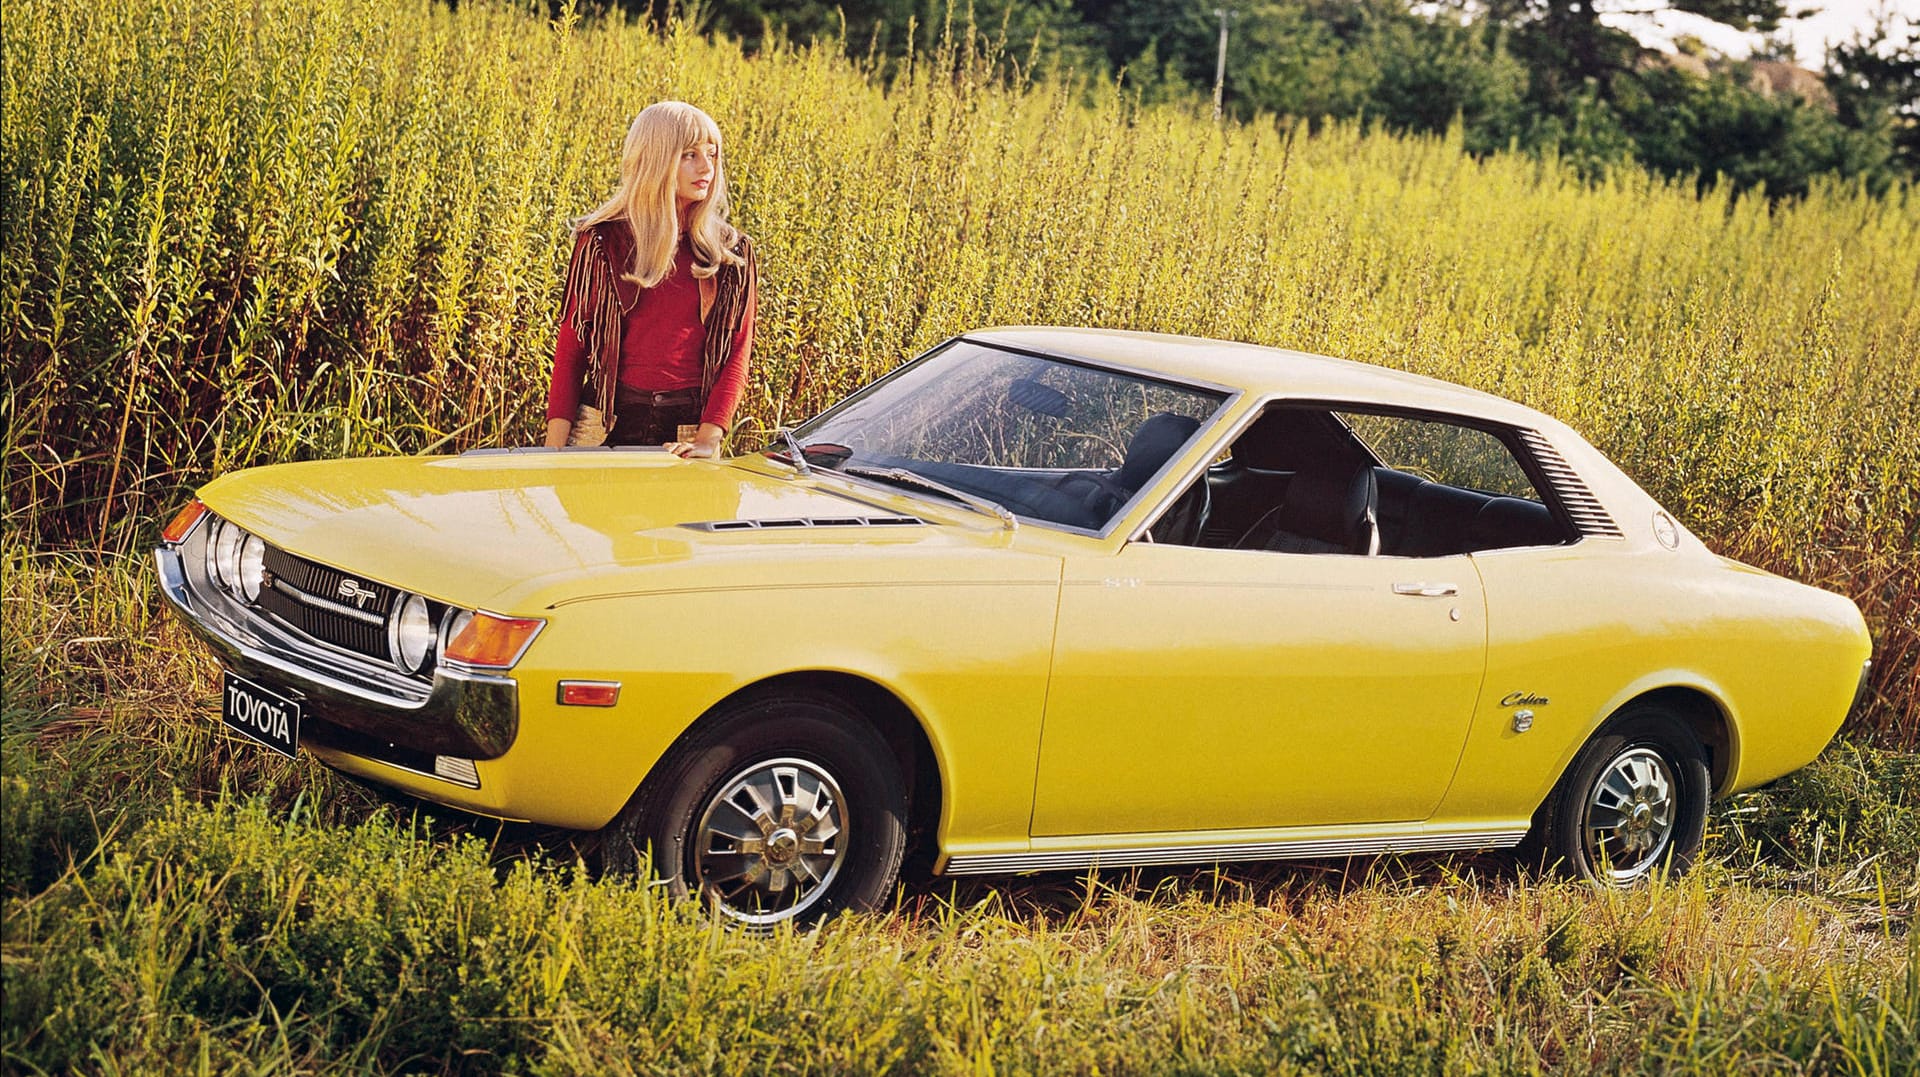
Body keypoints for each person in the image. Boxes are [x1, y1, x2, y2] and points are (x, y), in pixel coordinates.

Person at [544, 101, 757, 457]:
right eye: (689, 154)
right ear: (655, 158)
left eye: (713, 154)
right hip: (602, 424)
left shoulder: (731, 252)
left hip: (686, 434)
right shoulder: (601, 242)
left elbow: (738, 351)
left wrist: (708, 438)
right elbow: (572, 347)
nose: (706, 167)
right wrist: (553, 449)